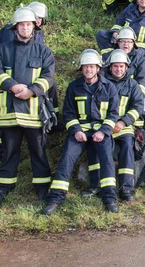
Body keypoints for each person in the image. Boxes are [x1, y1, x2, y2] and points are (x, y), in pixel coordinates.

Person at [0, 7, 55, 206]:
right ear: (16, 27)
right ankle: (3, 188)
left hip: (33, 112)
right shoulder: (2, 49)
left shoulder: (44, 52)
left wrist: (32, 91)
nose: (25, 28)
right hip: (8, 111)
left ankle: (42, 188)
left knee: (39, 151)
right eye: (22, 24)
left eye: (29, 24)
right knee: (9, 151)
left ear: (34, 26)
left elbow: (48, 78)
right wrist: (13, 85)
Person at [42, 50, 120, 215]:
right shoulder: (74, 87)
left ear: (98, 68)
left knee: (107, 160)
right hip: (80, 133)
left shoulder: (110, 87)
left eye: (92, 66)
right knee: (66, 159)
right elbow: (69, 113)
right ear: (81, 68)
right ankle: (55, 199)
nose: (88, 70)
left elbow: (113, 113)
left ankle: (109, 199)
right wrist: (76, 130)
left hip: (101, 132)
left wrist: (104, 131)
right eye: (85, 67)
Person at [100, 49, 145, 202]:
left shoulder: (132, 84)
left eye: (121, 66)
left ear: (127, 68)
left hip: (123, 126)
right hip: (104, 126)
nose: (118, 69)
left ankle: (126, 188)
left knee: (127, 146)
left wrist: (123, 121)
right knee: (104, 149)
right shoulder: (101, 82)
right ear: (110, 67)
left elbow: (139, 106)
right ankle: (105, 188)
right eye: (115, 66)